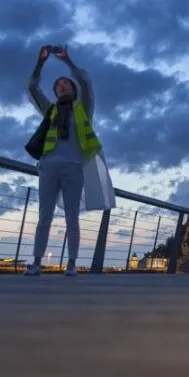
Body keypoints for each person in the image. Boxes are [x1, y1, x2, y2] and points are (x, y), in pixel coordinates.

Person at [24, 44, 116, 276]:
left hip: (74, 167)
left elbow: (86, 83)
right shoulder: (51, 110)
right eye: (57, 85)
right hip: (48, 165)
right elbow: (32, 88)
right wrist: (41, 62)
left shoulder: (84, 107)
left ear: (72, 89)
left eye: (65, 83)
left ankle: (72, 264)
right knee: (44, 216)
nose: (61, 85)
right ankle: (36, 263)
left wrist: (68, 61)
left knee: (71, 217)